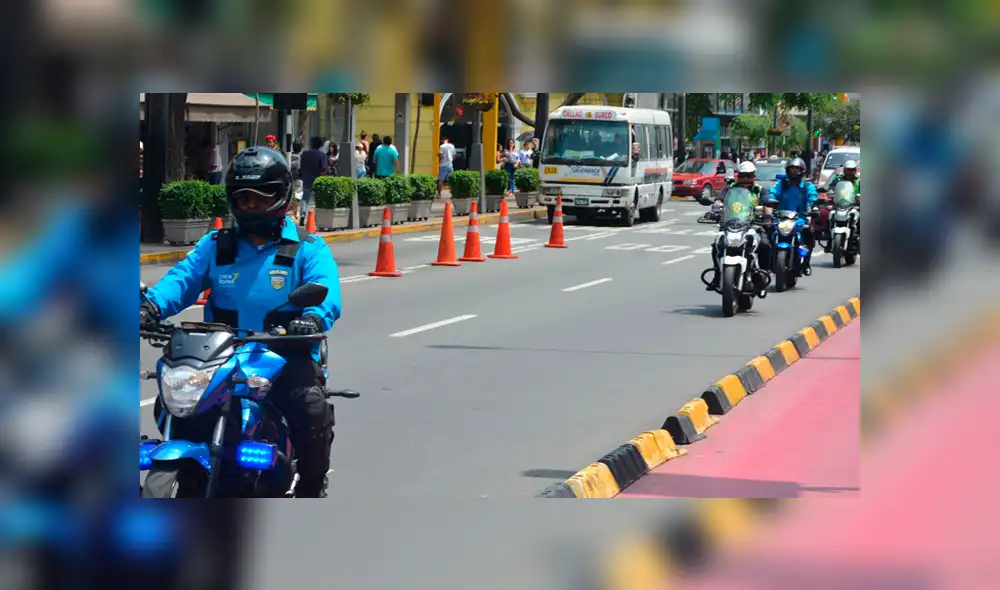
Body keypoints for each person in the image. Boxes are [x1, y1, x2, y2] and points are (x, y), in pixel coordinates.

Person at [139, 146, 342, 497]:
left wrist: (311, 318)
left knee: (311, 408)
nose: (250, 206)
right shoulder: (217, 245)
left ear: (281, 196)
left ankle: (311, 488)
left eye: (260, 198)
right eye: (243, 198)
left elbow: (327, 291)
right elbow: (182, 280)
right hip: (220, 356)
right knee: (171, 403)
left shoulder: (308, 248)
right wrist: (150, 308)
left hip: (284, 354)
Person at [708, 161, 772, 290]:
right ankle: (718, 275)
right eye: (742, 176)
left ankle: (762, 275)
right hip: (730, 225)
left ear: (754, 176)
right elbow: (720, 200)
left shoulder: (760, 190)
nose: (746, 179)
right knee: (717, 246)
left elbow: (767, 205)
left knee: (765, 245)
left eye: (749, 176)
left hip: (753, 225)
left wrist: (768, 215)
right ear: (738, 176)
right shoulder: (730, 189)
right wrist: (715, 209)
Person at [767, 156, 819, 272]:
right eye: (792, 169)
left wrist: (814, 205)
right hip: (781, 218)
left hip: (800, 218)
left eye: (797, 169)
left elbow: (813, 196)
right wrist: (770, 201)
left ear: (802, 171)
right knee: (768, 233)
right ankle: (769, 262)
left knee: (809, 233)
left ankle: (805, 262)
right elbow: (773, 193)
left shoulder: (807, 185)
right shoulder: (782, 183)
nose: (794, 172)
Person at [299, 137, 328, 225]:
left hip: (306, 179)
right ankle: (315, 217)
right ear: (321, 145)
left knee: (305, 198)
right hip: (317, 180)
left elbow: (301, 166)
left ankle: (303, 214)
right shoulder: (322, 155)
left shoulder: (305, 154)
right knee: (317, 199)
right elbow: (323, 169)